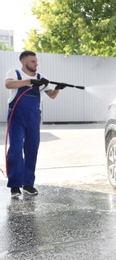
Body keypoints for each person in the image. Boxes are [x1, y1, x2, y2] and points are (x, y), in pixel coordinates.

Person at [5, 50, 63, 197]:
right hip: (16, 116)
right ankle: (15, 185)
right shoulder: (15, 73)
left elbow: (52, 96)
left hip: (33, 117)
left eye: (36, 61)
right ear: (24, 62)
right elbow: (8, 84)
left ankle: (28, 185)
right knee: (16, 149)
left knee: (32, 149)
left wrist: (57, 89)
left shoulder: (41, 77)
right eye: (33, 61)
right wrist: (29, 82)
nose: (36, 64)